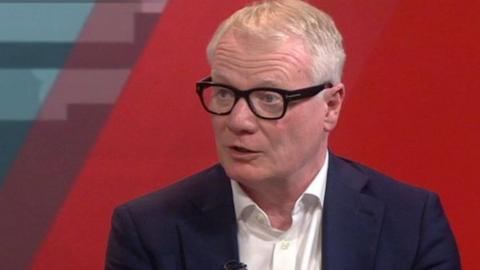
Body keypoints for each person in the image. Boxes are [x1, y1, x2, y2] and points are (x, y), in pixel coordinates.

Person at [106, 0, 461, 269]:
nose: (239, 120)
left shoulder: (411, 222)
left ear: (331, 106)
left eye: (269, 98)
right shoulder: (148, 229)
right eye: (225, 93)